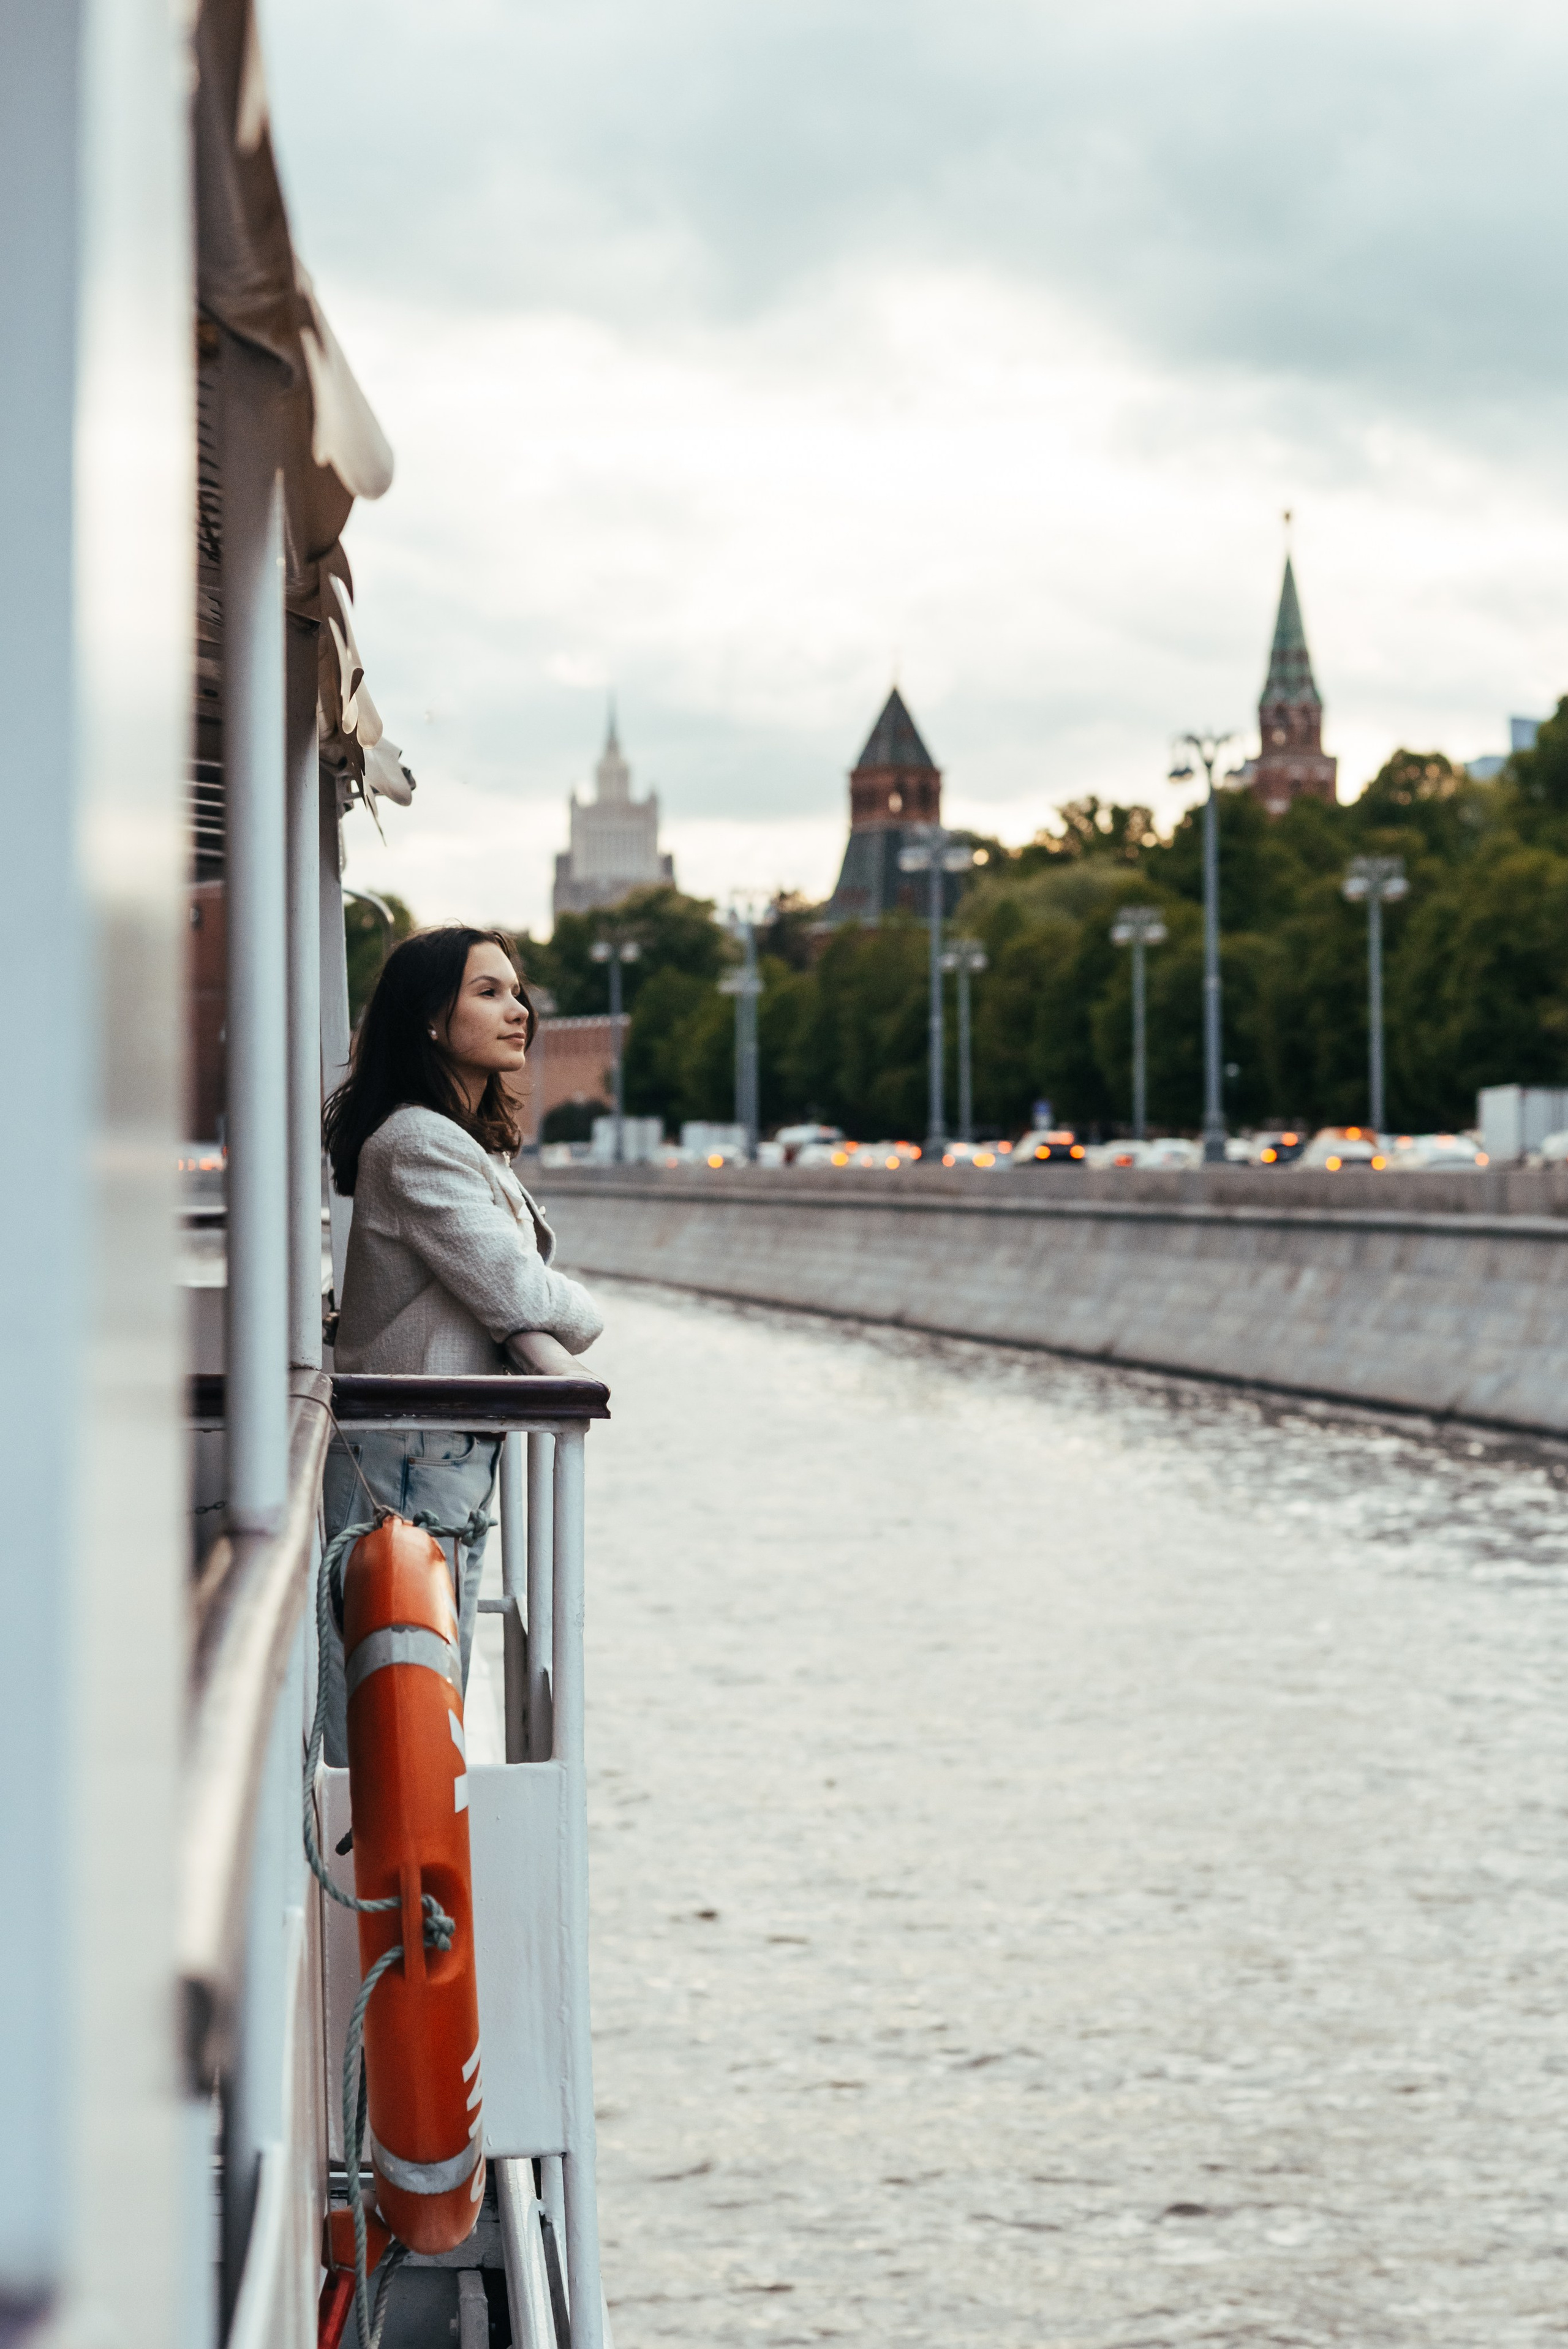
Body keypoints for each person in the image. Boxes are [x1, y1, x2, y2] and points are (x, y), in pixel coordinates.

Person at [318, 925, 602, 1762]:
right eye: (489, 992)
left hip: (433, 1457)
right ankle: (373, 1846)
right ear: (431, 1020)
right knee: (403, 1722)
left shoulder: (450, 1136)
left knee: (417, 1700)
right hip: (412, 1462)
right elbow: (521, 1295)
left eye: (517, 993)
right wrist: (584, 1311)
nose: (519, 1012)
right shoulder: (418, 1142)